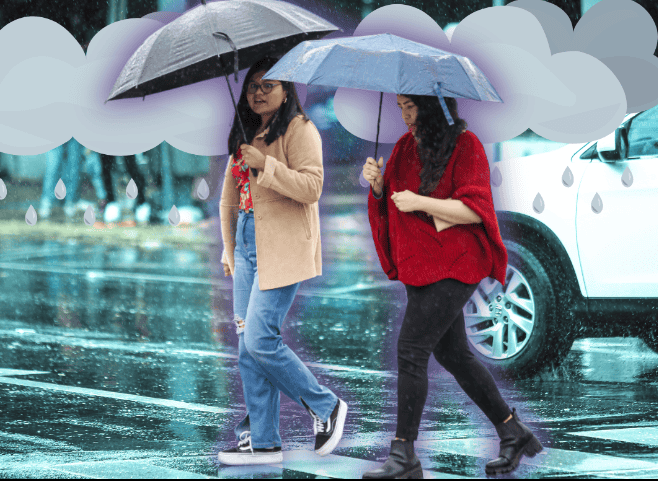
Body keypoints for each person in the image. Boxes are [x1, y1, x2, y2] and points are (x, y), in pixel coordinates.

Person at [361, 94, 543, 478]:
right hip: (420, 263)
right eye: (400, 108)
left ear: (431, 105)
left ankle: (404, 454)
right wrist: (377, 186)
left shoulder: (467, 144)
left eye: (410, 106)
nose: (405, 115)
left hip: (457, 260)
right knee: (454, 354)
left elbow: (475, 209)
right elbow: (393, 204)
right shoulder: (403, 148)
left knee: (411, 350)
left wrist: (422, 202)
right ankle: (512, 430)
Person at [217, 56, 348, 466]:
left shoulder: (300, 129)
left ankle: (325, 406)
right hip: (246, 242)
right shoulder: (246, 133)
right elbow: (228, 197)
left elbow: (312, 187)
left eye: (267, 85)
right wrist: (227, 246)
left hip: (284, 243)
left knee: (260, 338)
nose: (258, 92)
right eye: (253, 86)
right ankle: (263, 439)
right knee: (246, 348)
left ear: (287, 90)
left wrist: (267, 165)